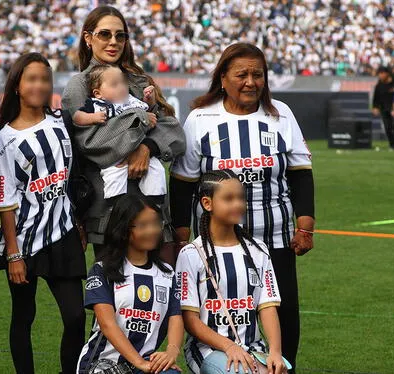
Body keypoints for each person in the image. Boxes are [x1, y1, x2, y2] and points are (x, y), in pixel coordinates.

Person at [169, 43, 315, 373]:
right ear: (223, 79)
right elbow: (181, 183)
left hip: (275, 237)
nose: (250, 82)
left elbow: (301, 174)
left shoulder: (281, 114)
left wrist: (304, 227)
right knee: (216, 310)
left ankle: (283, 367)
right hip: (216, 243)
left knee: (283, 308)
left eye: (257, 74)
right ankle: (213, 362)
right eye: (242, 75)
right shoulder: (200, 118)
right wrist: (179, 236)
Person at [0, 52, 86, 374]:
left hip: (64, 232)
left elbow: (71, 178)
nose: (39, 85)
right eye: (31, 78)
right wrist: (13, 255)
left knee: (75, 316)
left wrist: (78, 221)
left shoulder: (61, 121)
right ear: (17, 85)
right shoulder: (6, 139)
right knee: (23, 315)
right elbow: (4, 201)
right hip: (24, 241)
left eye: (44, 78)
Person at [61, 5, 185, 263]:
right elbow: (92, 144)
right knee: (116, 298)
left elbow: (175, 133)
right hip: (108, 215)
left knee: (162, 296)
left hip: (154, 213)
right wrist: (140, 119)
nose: (113, 42)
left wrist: (147, 147)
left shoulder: (140, 81)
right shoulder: (80, 86)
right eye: (105, 34)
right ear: (88, 38)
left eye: (121, 36)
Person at [177, 170, 288, 374]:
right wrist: (229, 346)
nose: (238, 204)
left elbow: (267, 306)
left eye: (240, 198)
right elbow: (190, 319)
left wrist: (275, 351)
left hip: (253, 349)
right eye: (228, 199)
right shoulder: (191, 254)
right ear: (207, 203)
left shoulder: (258, 250)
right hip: (207, 349)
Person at [77, 194, 183, 374]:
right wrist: (140, 363)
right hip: (103, 364)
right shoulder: (102, 270)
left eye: (156, 223)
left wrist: (171, 351)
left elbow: (175, 317)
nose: (152, 230)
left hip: (146, 363)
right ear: (123, 229)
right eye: (143, 225)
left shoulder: (167, 273)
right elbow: (107, 324)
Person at [72, 64, 164, 200]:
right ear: (98, 93)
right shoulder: (96, 105)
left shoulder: (130, 100)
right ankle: (116, 203)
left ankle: (155, 199)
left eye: (123, 83)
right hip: (114, 153)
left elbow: (146, 113)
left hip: (138, 147)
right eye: (114, 84)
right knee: (114, 174)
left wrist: (148, 101)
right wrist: (91, 117)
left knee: (156, 168)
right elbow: (76, 117)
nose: (122, 87)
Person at [372, 66, 394, 150]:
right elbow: (376, 97)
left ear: (387, 73)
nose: (380, 75)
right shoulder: (379, 85)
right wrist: (375, 107)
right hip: (384, 109)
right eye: (379, 74)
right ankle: (392, 145)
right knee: (387, 127)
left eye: (381, 73)